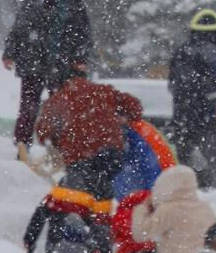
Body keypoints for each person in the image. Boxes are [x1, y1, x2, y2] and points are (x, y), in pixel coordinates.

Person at [4, 0, 92, 155]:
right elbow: (17, 32)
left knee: (59, 110)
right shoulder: (31, 4)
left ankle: (58, 149)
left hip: (62, 66)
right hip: (33, 63)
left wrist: (80, 59)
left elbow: (83, 36)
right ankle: (22, 145)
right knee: (28, 107)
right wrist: (9, 54)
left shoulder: (74, 6)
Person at [33, 72, 142, 200]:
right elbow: (135, 107)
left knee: (78, 195)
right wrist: (121, 119)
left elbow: (42, 133)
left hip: (78, 156)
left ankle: (84, 214)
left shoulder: (57, 99)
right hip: (111, 153)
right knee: (101, 189)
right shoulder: (104, 91)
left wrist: (56, 140)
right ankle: (101, 213)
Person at [168, 8, 216, 187]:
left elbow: (173, 86)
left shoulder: (181, 51)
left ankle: (185, 190)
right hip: (205, 118)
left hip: (181, 117)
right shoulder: (209, 51)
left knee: (183, 162)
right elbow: (211, 86)